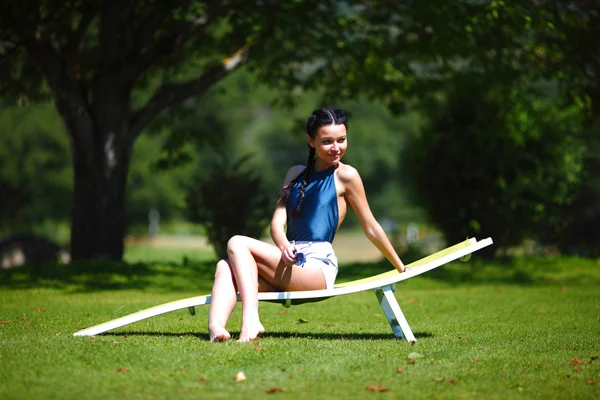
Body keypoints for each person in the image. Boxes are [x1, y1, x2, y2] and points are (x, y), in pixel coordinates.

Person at [208, 107, 407, 342]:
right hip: (289, 262)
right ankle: (216, 329)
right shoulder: (295, 174)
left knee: (236, 243)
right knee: (224, 266)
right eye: (327, 141)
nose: (336, 147)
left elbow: (371, 226)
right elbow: (277, 222)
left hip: (317, 267)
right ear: (311, 141)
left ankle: (250, 322)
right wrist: (283, 245)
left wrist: (400, 266)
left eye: (341, 140)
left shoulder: (347, 176)